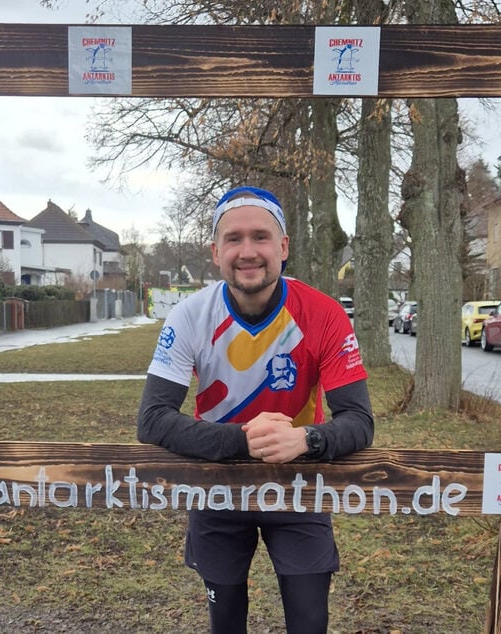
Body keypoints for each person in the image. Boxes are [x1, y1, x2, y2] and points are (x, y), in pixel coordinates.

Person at [137, 185, 374, 633]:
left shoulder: (324, 314)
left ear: (283, 247)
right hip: (217, 485)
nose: (247, 252)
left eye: (260, 237)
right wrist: (243, 440)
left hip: (299, 483)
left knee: (309, 623)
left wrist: (307, 439)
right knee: (225, 623)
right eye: (234, 239)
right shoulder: (189, 315)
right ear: (216, 252)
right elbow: (151, 420)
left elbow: (359, 422)